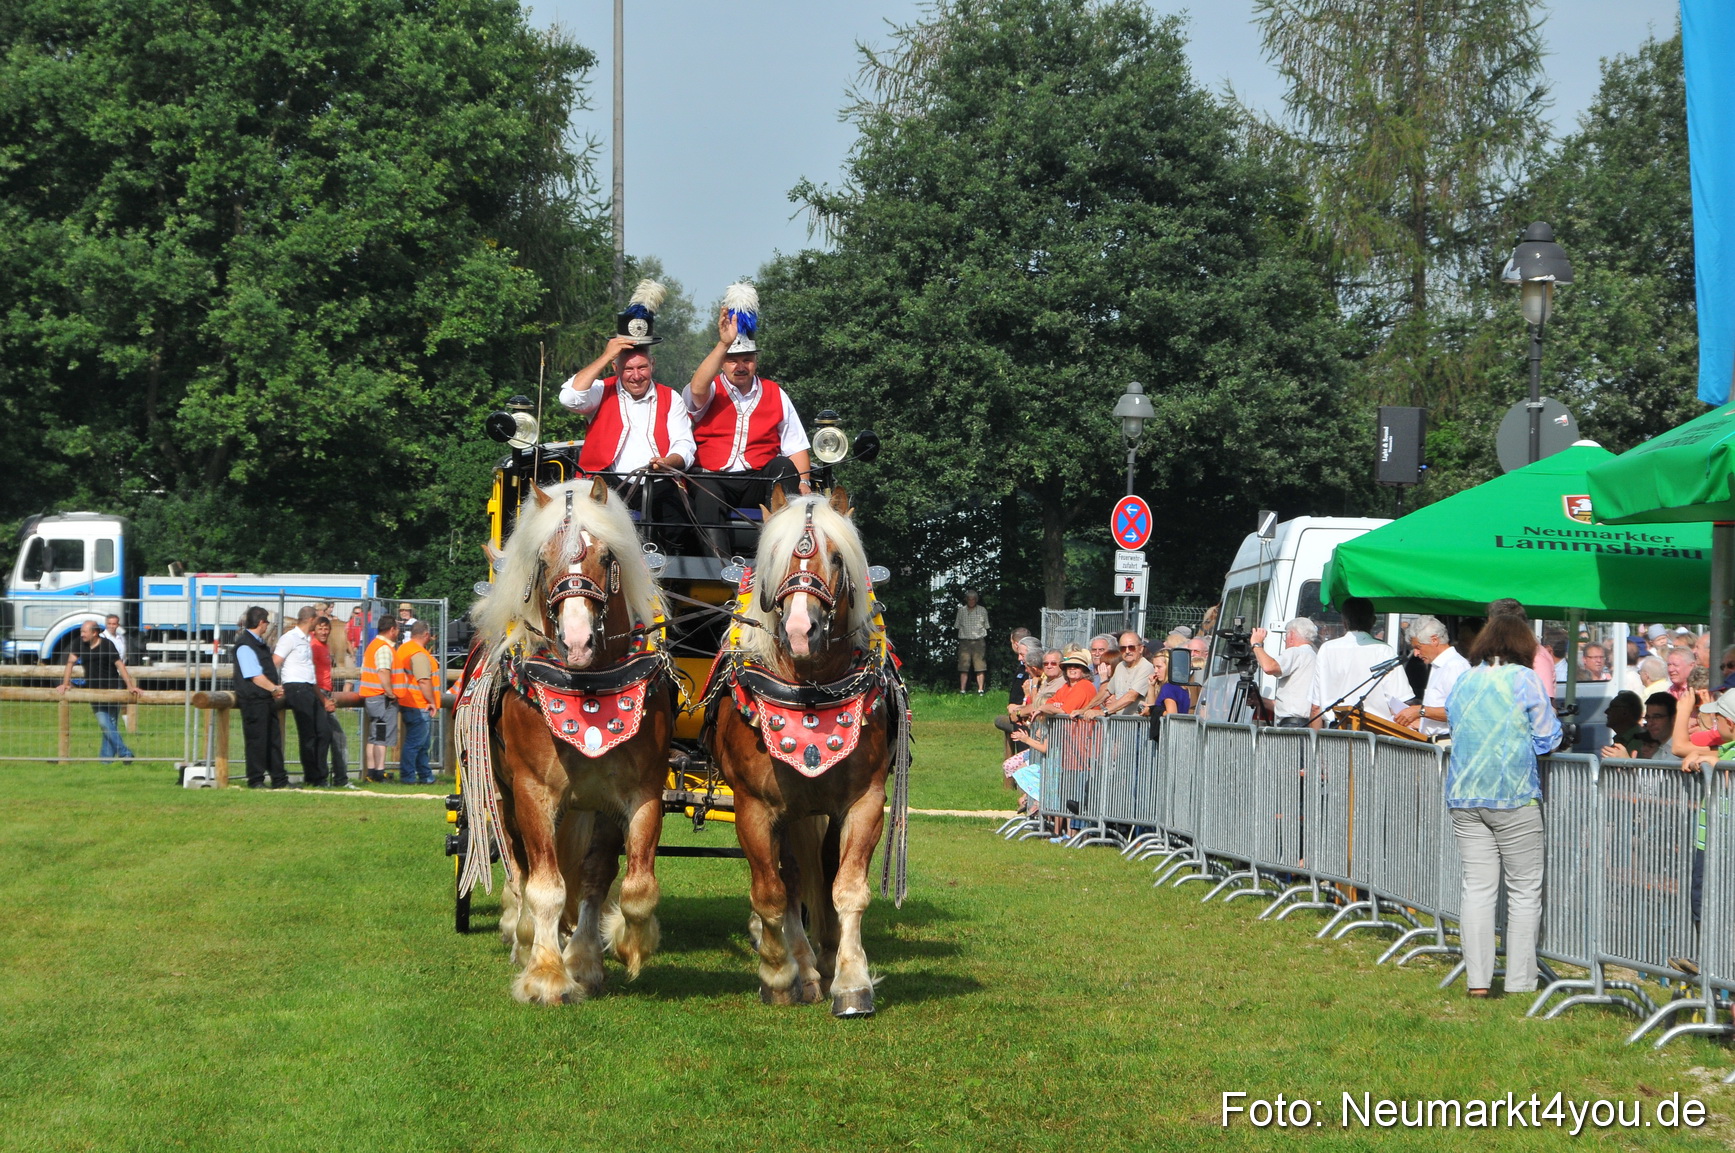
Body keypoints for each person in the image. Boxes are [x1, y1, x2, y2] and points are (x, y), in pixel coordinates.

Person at [1444, 612, 1561, 998]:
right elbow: (1547, 738)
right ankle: (1519, 982)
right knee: (1524, 891)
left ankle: (1478, 981)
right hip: (1512, 793)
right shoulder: (1523, 679)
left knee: (1477, 889)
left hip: (1464, 794)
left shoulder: (1464, 680)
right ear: (1523, 645)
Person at [684, 282, 814, 552]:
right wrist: (724, 343)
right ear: (722, 362)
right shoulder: (710, 389)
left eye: (747, 359)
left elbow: (796, 445)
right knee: (706, 488)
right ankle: (720, 571)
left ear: (756, 360)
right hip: (714, 478)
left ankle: (782, 553)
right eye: (733, 360)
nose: (740, 367)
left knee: (783, 467)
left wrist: (804, 482)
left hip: (757, 478)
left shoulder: (776, 393)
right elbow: (696, 389)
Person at [559, 280, 697, 532]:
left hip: (659, 480)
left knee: (680, 525)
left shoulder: (671, 397)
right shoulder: (600, 391)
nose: (636, 375)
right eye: (628, 368)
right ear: (616, 368)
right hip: (606, 483)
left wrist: (670, 460)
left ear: (652, 365)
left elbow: (685, 445)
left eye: (642, 367)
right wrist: (606, 355)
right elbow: (569, 398)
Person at [1307, 597, 1407, 727]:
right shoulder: (1384, 651)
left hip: (1334, 732)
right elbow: (1399, 704)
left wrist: (1315, 744)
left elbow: (1316, 707)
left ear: (1344, 622)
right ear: (1373, 622)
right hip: (1373, 733)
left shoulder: (1327, 649)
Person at [55, 621, 140, 761]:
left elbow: (120, 665)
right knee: (104, 723)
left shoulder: (107, 645)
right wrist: (65, 683)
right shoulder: (79, 643)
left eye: (84, 632)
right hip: (93, 691)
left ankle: (105, 760)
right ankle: (125, 753)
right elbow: (70, 663)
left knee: (110, 724)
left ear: (94, 633)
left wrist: (130, 686)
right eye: (81, 631)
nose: (81, 634)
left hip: (113, 689)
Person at [233, 606, 289, 788]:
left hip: (265, 700)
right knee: (257, 742)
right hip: (253, 700)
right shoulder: (245, 645)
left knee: (273, 741)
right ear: (261, 622)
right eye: (266, 622)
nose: (267, 626)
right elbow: (254, 675)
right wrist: (274, 688)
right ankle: (255, 780)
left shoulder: (257, 643)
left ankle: (279, 780)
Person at [274, 605, 329, 787]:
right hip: (295, 687)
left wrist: (321, 698)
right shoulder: (289, 638)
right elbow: (275, 662)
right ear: (311, 619)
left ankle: (320, 775)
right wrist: (274, 686)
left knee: (323, 732)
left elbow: (308, 671)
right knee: (308, 734)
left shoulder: (306, 640)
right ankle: (313, 776)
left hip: (309, 687)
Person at [1394, 616, 1471, 739]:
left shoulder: (1454, 666)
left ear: (1434, 640)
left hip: (1446, 744)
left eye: (1418, 647)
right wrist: (1422, 723)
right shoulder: (1439, 665)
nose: (1416, 653)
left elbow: (1460, 711)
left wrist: (1420, 711)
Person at [393, 619, 440, 785]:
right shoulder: (418, 654)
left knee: (421, 743)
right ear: (426, 635)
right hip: (419, 703)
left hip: (408, 701)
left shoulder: (404, 649)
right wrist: (432, 701)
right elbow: (424, 681)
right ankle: (409, 777)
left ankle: (426, 776)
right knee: (416, 743)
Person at [1250, 618, 1317, 727]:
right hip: (1305, 722)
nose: (1285, 641)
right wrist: (1261, 701)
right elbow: (1294, 706)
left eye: (1285, 637)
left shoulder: (1296, 652)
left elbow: (1268, 667)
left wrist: (1256, 644)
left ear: (1291, 635)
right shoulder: (1313, 655)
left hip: (1292, 725)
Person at [310, 616, 352, 788]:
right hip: (319, 694)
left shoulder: (325, 647)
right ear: (314, 630)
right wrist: (323, 698)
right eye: (320, 628)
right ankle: (337, 779)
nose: (324, 632)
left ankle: (332, 779)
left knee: (331, 738)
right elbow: (311, 675)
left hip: (325, 693)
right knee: (336, 737)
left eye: (326, 629)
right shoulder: (313, 647)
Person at [360, 616, 400, 782]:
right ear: (391, 630)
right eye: (397, 629)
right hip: (381, 697)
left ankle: (371, 771)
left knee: (374, 735)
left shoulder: (372, 645)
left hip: (371, 696)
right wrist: (390, 693)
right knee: (381, 736)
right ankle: (379, 771)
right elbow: (383, 672)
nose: (398, 632)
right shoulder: (384, 648)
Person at [1487, 598, 1554, 693]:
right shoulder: (1505, 654)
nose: (1487, 631)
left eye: (1492, 626)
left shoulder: (1537, 657)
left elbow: (1544, 701)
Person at [1093, 631, 1153, 715]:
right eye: (1123, 648)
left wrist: (1103, 711)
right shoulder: (1120, 666)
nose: (1127, 651)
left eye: (1131, 647)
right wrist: (1084, 709)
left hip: (1137, 724)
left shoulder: (1146, 667)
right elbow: (1106, 692)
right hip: (1120, 724)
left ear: (1141, 649)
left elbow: (1131, 696)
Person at [954, 590, 989, 695]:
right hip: (964, 641)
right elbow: (957, 626)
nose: (971, 601)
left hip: (979, 641)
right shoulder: (961, 611)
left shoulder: (982, 610)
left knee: (980, 666)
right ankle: (962, 690)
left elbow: (987, 626)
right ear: (966, 600)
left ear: (976, 600)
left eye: (973, 599)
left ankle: (980, 690)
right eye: (969, 599)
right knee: (963, 667)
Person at [1597, 691, 1647, 758]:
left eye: (1612, 707)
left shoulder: (1641, 742)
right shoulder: (1623, 739)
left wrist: (1625, 761)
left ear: (1625, 712)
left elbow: (1644, 768)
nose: (1606, 711)